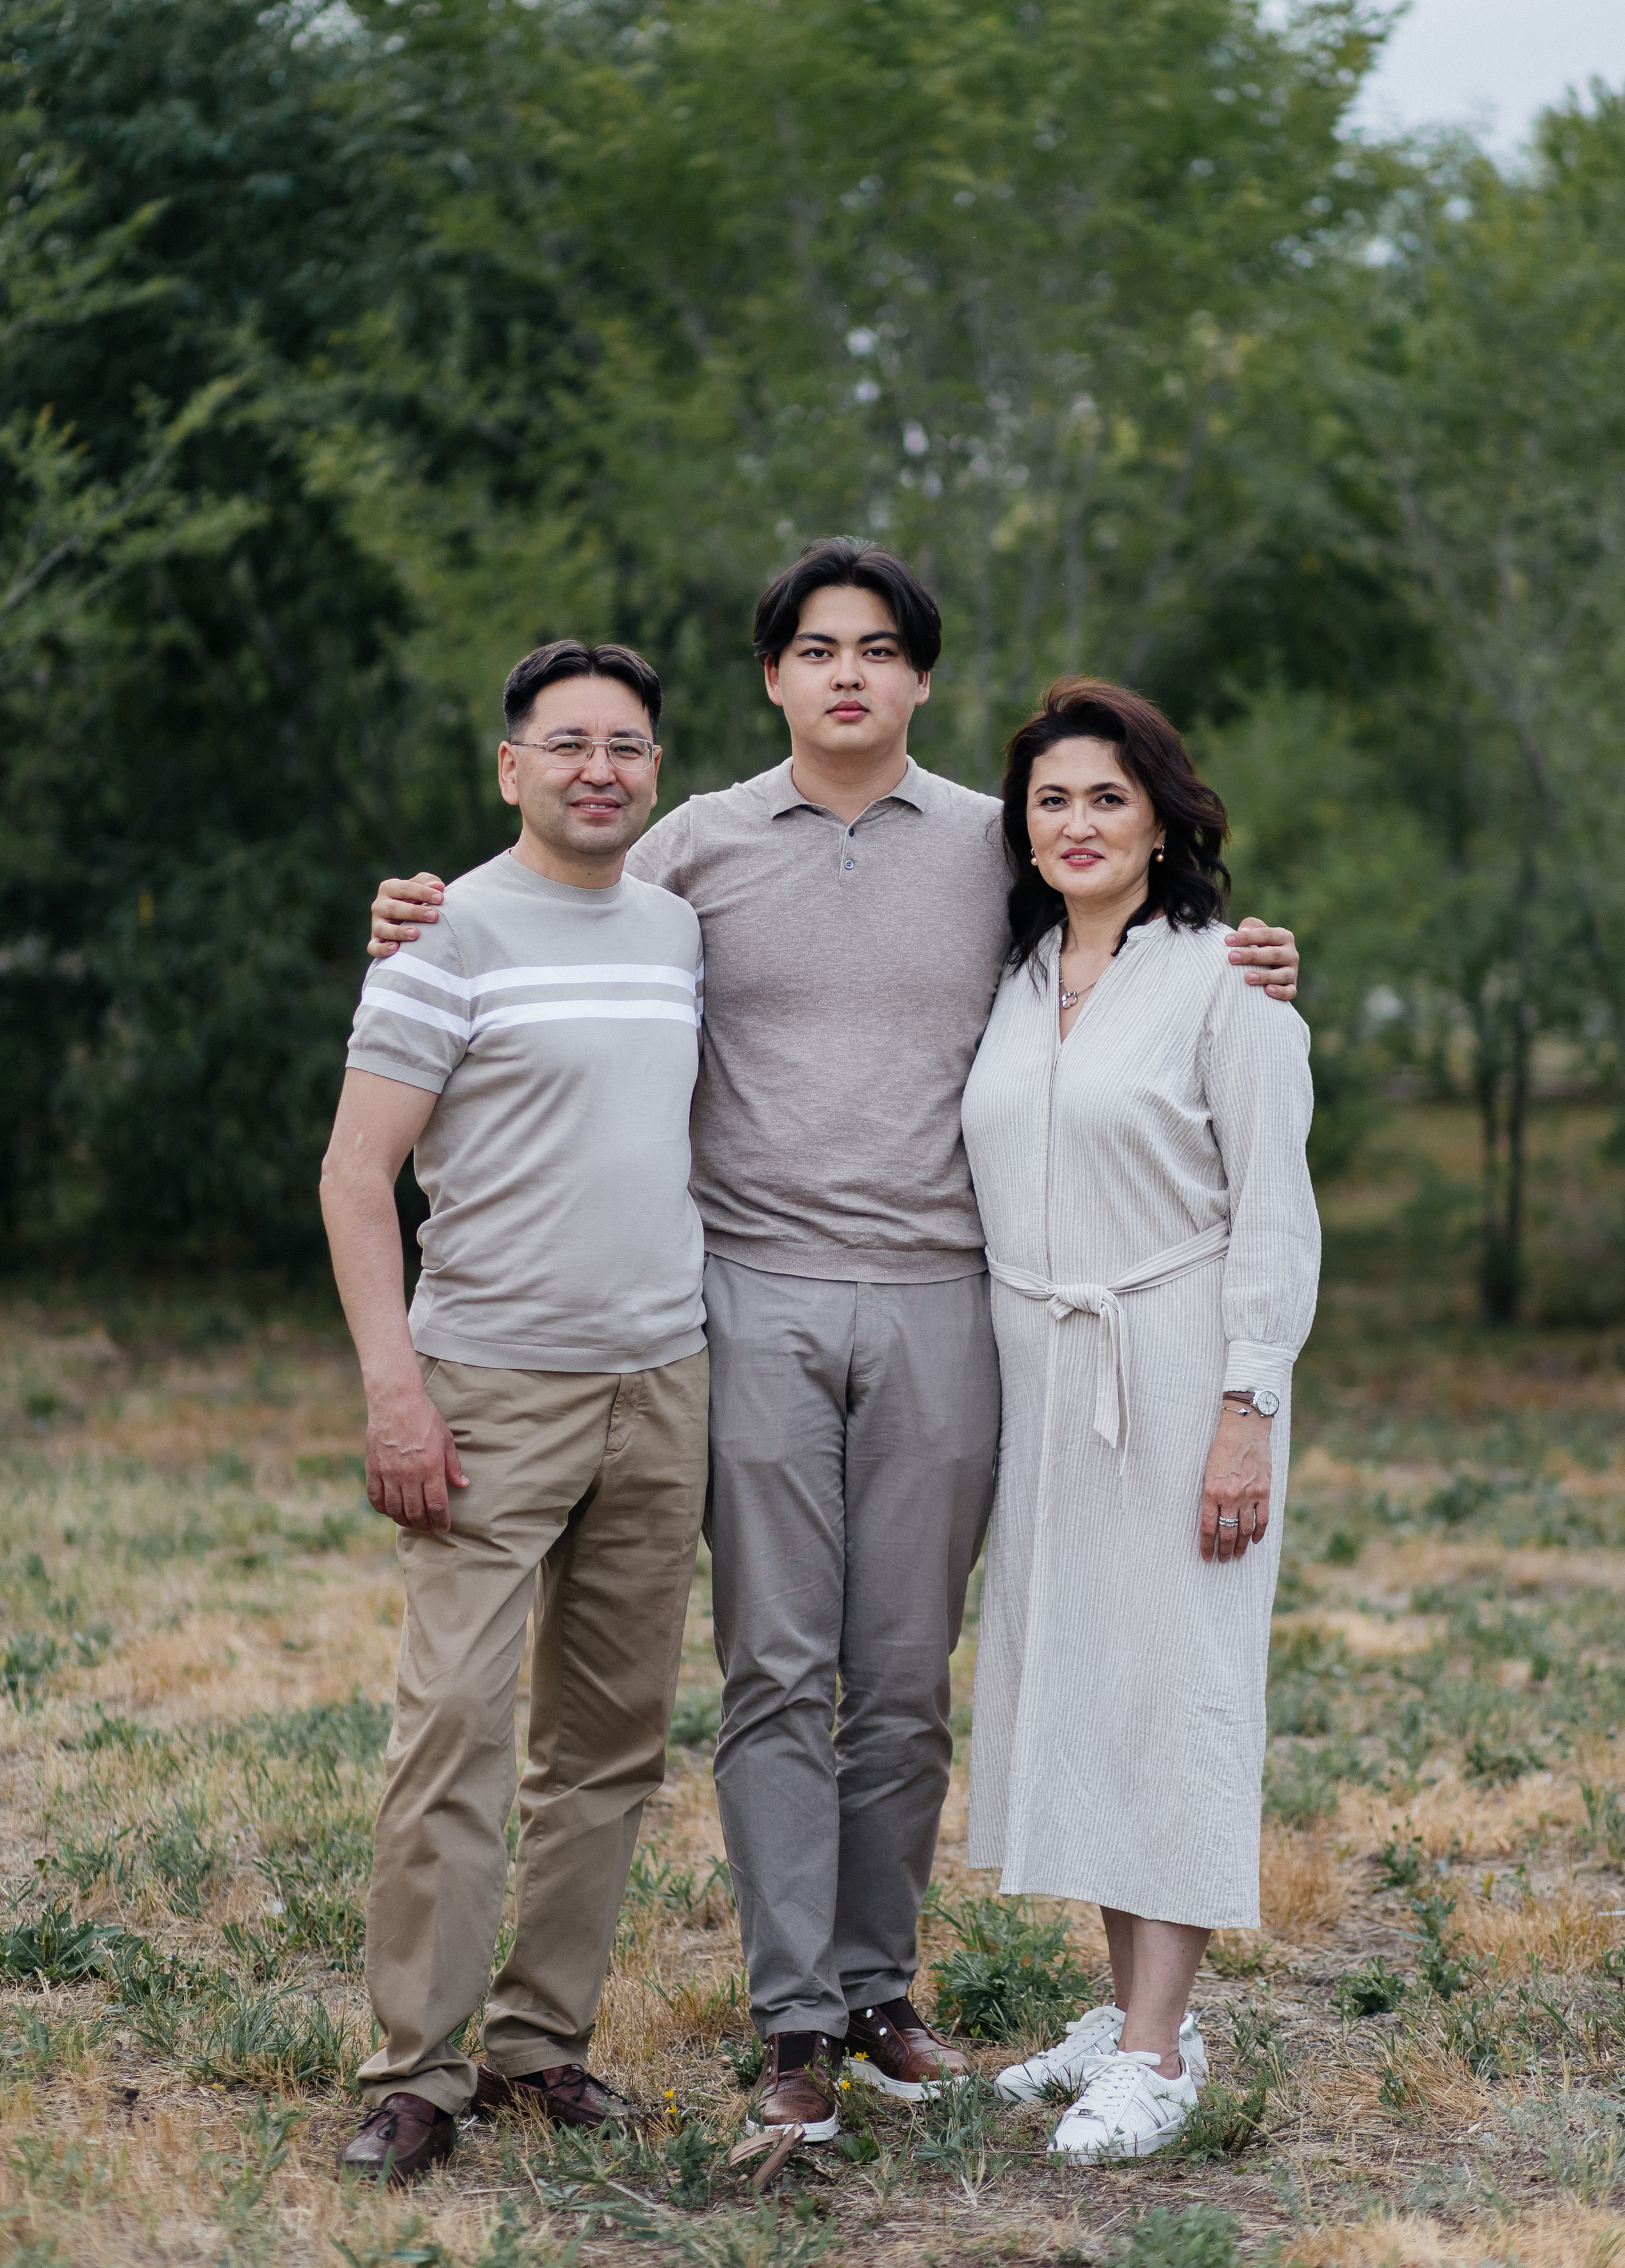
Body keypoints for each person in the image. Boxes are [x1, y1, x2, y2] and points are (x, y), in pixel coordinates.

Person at [366, 541, 1303, 2142]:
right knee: (774, 1672)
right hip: (750, 1294)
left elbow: (1117, 933)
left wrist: (1251, 954)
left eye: (880, 648)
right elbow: (558, 886)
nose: (848, 673)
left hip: (951, 1300)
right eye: (816, 648)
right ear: (772, 675)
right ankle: (790, 2022)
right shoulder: (697, 841)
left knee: (902, 1681)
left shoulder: (990, 842)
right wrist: (422, 907)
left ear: (922, 679)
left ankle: (879, 1998)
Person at [320, 639, 709, 2186]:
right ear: (511, 768)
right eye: (566, 744)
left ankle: (542, 2048)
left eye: (625, 745)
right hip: (487, 1384)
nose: (597, 768)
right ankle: (415, 2071)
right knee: (457, 1728)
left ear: (654, 774)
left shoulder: (679, 929)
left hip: (662, 1380)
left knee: (609, 1742)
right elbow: (355, 1180)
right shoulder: (444, 934)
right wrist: (395, 1395)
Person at [959, 677, 1321, 2162]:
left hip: (1177, 1367)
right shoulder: (1017, 973)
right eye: (1050, 798)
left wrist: (1246, 1407)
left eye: (1106, 795)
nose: (1077, 822)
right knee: (1086, 1686)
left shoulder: (1226, 980)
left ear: (1162, 815)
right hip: (1040, 1367)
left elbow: (1274, 1214)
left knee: (1172, 1689)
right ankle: (1117, 2012)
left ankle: (1162, 2052)